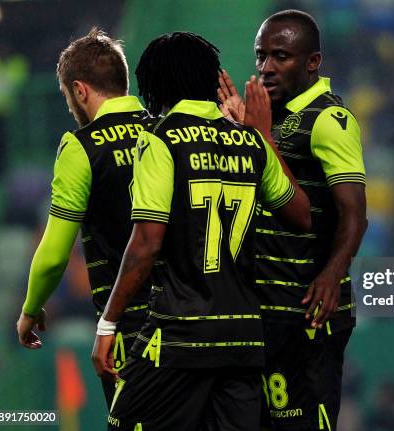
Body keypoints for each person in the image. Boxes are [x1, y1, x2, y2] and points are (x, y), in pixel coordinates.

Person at [91, 31, 311, 431]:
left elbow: (146, 242)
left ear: (156, 84)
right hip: (244, 339)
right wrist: (260, 134)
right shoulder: (250, 141)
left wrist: (108, 322)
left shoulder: (160, 139)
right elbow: (300, 212)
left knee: (122, 423)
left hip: (179, 335)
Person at [218, 9, 367, 431]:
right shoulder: (269, 113)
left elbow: (355, 215)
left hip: (308, 313)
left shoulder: (329, 120)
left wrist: (332, 275)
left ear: (312, 62)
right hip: (266, 311)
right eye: (260, 56)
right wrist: (243, 130)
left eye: (280, 56)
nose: (266, 68)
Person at [15, 27, 153, 407]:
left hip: (128, 325)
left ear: (79, 90)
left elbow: (55, 254)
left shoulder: (82, 147)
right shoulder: (164, 130)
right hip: (189, 319)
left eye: (66, 95)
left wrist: (30, 309)